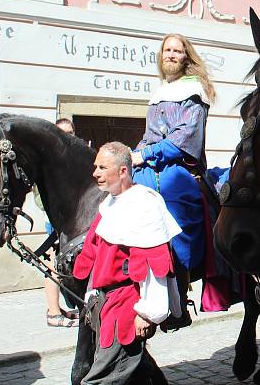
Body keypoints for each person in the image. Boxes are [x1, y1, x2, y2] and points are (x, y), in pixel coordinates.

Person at [74, 142, 182, 384]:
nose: (95, 173)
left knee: (101, 380)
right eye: (95, 166)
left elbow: (155, 264)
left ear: (123, 171)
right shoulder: (109, 203)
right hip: (105, 305)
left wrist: (147, 312)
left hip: (124, 307)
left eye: (102, 167)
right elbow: (97, 255)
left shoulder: (144, 203)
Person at [131, 33, 218, 329]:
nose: (171, 54)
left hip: (179, 167)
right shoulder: (159, 92)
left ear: (186, 57)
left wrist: (147, 155)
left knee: (175, 205)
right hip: (150, 165)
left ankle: (178, 295)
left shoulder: (194, 92)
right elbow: (147, 136)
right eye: (167, 50)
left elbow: (185, 137)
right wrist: (130, 156)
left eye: (177, 51)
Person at [41, 118, 79, 327]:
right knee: (52, 264)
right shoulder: (50, 160)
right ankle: (53, 312)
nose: (67, 135)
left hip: (73, 219)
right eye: (62, 132)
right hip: (56, 219)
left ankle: (63, 307)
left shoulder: (72, 156)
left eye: (70, 132)